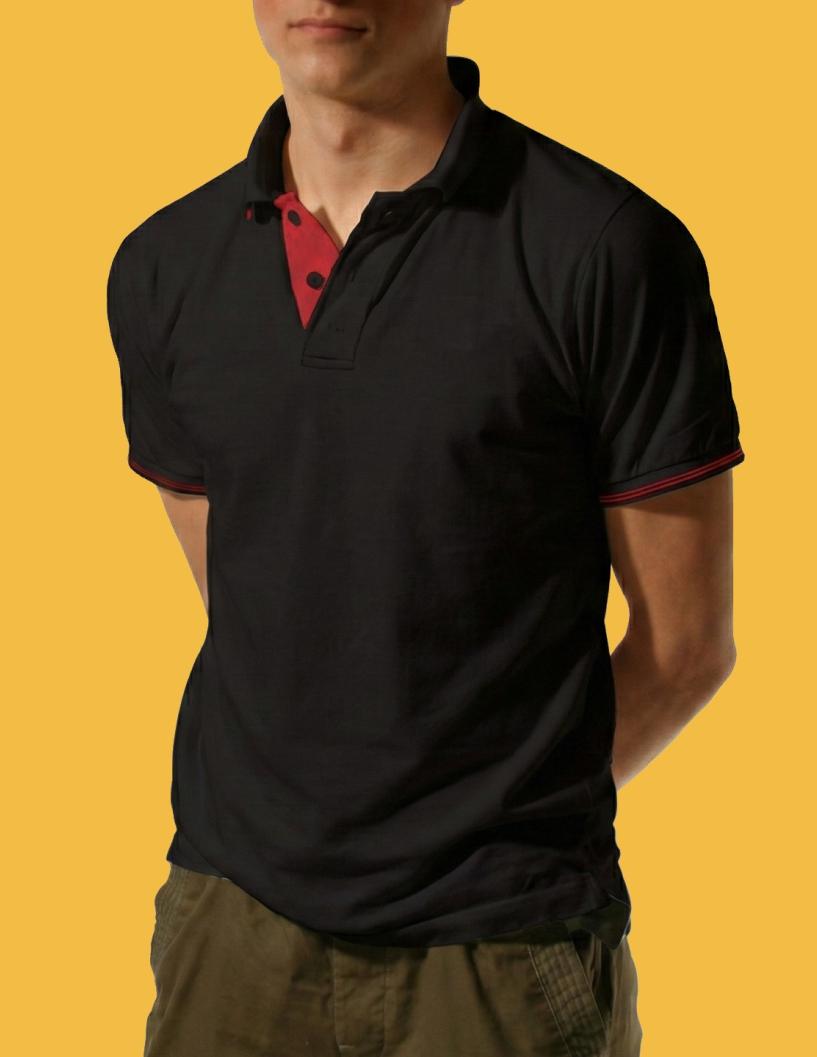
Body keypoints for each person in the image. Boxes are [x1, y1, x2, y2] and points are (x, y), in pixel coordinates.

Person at [105, 3, 745, 1055]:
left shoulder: (606, 247)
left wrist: (494, 817)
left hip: (499, 946)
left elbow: (685, 650)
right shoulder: (163, 266)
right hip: (232, 923)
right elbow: (252, 601)